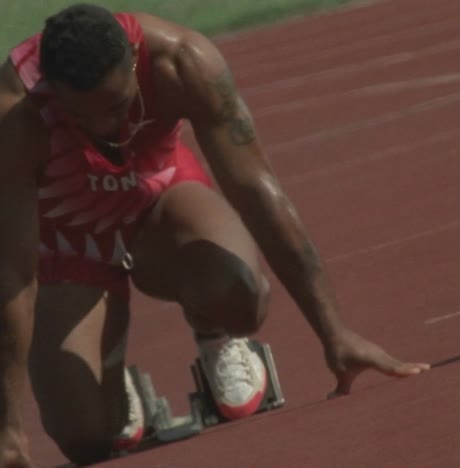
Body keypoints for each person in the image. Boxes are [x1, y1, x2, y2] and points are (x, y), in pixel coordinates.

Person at [0, 3, 430, 466]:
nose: (103, 128)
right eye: (79, 118)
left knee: (239, 294)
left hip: (156, 197)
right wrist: (8, 428)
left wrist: (334, 331)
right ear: (51, 85)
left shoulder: (183, 63)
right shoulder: (15, 111)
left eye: (115, 107)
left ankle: (214, 334)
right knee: (84, 439)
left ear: (132, 59)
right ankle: (105, 370)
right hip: (67, 234)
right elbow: (14, 267)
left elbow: (256, 190)